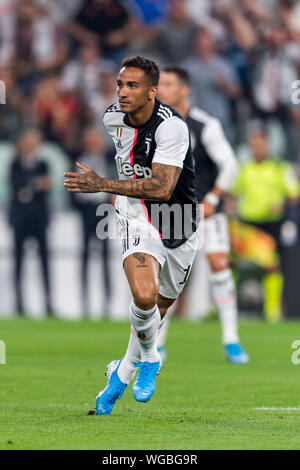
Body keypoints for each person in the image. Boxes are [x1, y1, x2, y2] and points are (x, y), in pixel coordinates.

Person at [63, 56, 200, 415]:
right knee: (143, 294)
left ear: (153, 92)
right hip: (135, 214)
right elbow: (130, 164)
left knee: (158, 310)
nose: (122, 92)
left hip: (179, 219)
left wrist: (100, 183)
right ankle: (151, 359)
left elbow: (163, 187)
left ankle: (121, 373)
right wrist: (116, 191)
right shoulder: (111, 118)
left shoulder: (173, 127)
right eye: (120, 85)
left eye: (133, 86)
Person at [158, 66, 249, 364]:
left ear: (185, 89)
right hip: (173, 213)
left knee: (219, 265)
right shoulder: (155, 124)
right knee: (168, 277)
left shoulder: (204, 124)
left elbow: (230, 165)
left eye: (168, 84)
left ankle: (231, 340)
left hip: (207, 212)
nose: (161, 89)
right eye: (160, 84)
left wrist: (213, 198)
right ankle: (157, 343)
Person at [230, 120, 300, 323]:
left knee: (272, 266)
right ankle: (224, 306)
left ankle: (272, 311)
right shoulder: (245, 168)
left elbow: (294, 194)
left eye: (260, 142)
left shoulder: (280, 167)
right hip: (248, 224)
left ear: (267, 143)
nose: (257, 146)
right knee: (229, 262)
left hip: (273, 224)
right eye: (253, 142)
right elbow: (233, 195)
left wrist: (282, 203)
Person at [8, 128, 53, 315]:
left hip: (39, 219)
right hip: (20, 219)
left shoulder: (43, 163)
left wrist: (29, 188)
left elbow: (46, 186)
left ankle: (48, 302)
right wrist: (36, 184)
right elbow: (17, 187)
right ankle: (18, 303)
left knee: (44, 261)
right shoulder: (15, 164)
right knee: (18, 261)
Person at [72, 128, 112, 316]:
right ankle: (84, 299)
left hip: (102, 211)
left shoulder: (109, 160)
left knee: (104, 256)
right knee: (85, 255)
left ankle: (108, 299)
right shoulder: (79, 161)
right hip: (86, 211)